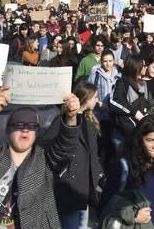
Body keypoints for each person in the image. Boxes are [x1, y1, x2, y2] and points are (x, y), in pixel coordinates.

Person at [0, 86, 82, 229]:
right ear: (8, 130)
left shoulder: (44, 157)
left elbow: (65, 147)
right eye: (19, 124)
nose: (25, 129)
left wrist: (71, 117)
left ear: (37, 132)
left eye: (31, 125)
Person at [41, 81, 103, 229]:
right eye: (95, 97)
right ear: (86, 99)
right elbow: (50, 150)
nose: (97, 100)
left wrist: (98, 173)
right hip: (68, 188)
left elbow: (92, 154)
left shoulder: (89, 119)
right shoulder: (62, 121)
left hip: (82, 187)